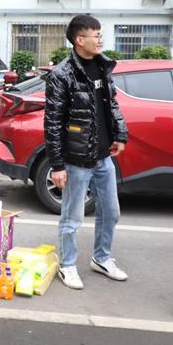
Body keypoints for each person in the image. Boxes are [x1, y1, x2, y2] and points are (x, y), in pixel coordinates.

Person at [44, 14, 129, 290]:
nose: (101, 39)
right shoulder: (62, 74)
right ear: (80, 39)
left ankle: (102, 258)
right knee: (72, 217)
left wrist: (119, 135)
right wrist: (57, 165)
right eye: (96, 34)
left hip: (104, 155)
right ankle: (67, 264)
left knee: (111, 211)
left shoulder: (103, 68)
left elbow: (112, 105)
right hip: (77, 159)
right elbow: (53, 122)